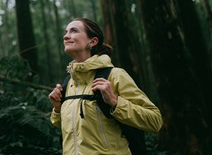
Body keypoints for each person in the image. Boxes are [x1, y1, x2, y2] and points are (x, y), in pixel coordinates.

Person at [48, 18, 163, 154]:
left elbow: (155, 121)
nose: (66, 36)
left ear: (93, 41)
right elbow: (69, 127)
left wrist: (115, 103)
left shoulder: (115, 75)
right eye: (66, 32)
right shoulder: (69, 82)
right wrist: (57, 109)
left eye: (74, 31)